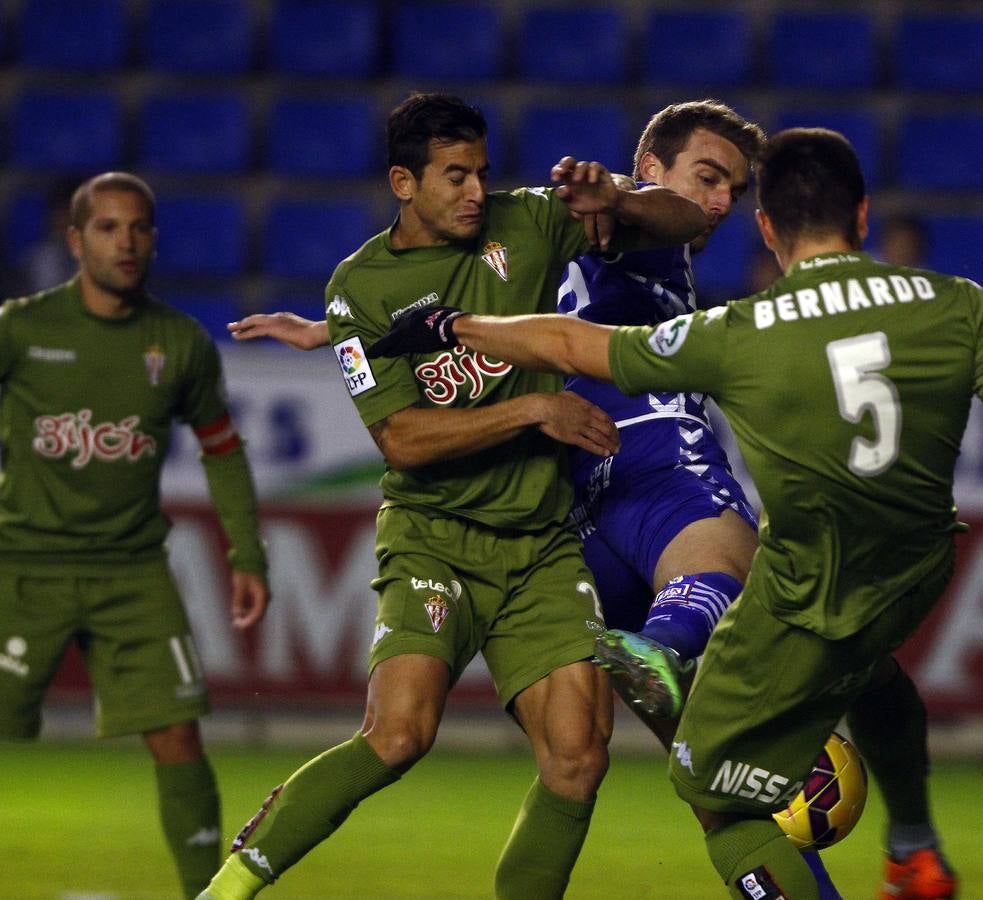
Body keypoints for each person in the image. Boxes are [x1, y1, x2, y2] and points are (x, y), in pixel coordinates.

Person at [369, 127, 983, 899]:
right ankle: (912, 842)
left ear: (766, 226)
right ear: (863, 215)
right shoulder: (958, 303)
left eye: (732, 191)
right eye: (706, 180)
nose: (714, 205)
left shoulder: (740, 326)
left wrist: (449, 324)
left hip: (753, 558)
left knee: (699, 777)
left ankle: (668, 650)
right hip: (906, 563)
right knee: (863, 686)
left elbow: (584, 336)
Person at [198, 93, 706, 900]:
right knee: (400, 735)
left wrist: (619, 199)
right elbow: (400, 438)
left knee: (578, 756)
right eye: (454, 176)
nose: (475, 191)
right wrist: (536, 406)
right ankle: (226, 887)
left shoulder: (531, 221)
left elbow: (688, 220)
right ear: (404, 181)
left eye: (481, 172)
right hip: (435, 534)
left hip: (539, 544)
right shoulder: (358, 287)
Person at [0, 172, 270, 897]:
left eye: (138, 227)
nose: (125, 242)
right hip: (23, 567)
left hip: (132, 572)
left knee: (178, 737)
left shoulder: (178, 343)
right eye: (108, 228)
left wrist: (247, 552)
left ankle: (205, 894)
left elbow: (222, 447)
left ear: (154, 238)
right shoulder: (21, 329)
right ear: (75, 239)